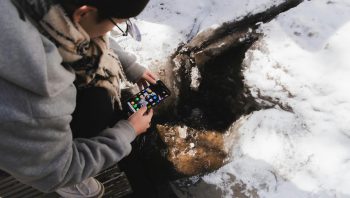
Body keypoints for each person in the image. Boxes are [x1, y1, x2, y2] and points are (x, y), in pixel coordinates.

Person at [0, 0, 157, 197]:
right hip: (28, 156)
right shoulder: (39, 94)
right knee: (99, 102)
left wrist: (129, 64)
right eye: (118, 23)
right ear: (83, 13)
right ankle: (68, 184)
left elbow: (85, 31)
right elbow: (58, 171)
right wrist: (128, 131)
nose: (110, 32)